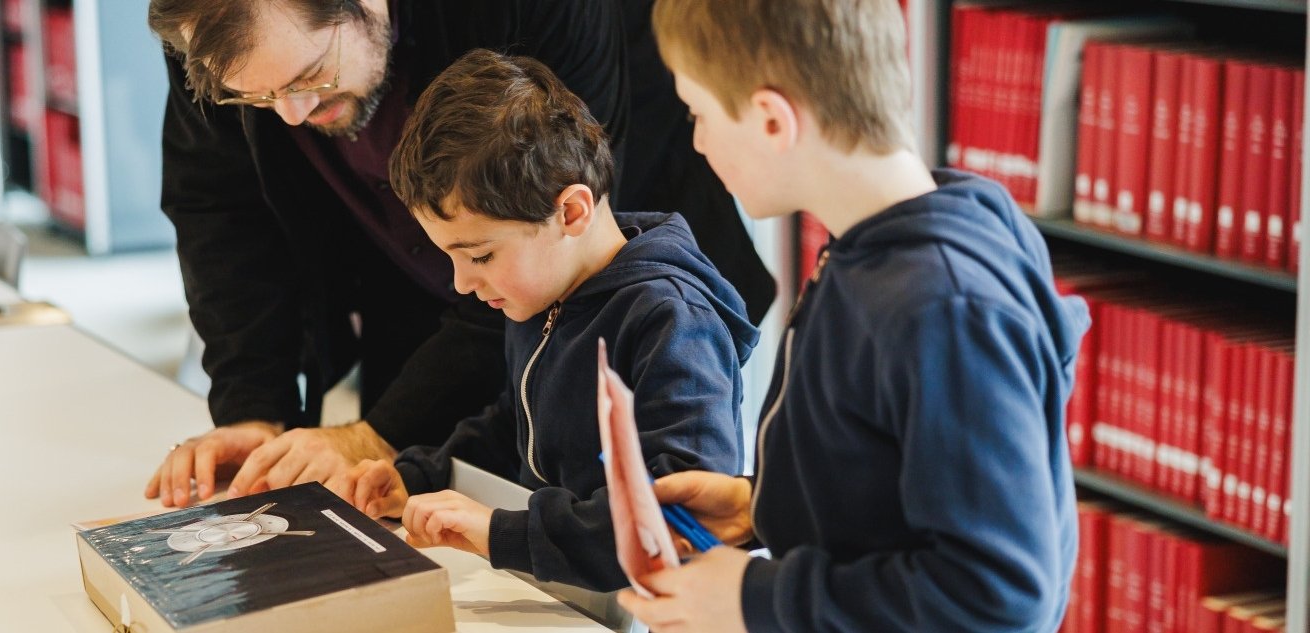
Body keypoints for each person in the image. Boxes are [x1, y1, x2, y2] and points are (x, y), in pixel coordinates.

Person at [142, 0, 775, 509]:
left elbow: (656, 529)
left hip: (590, 283)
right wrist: (255, 408)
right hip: (428, 299)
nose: (290, 114)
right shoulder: (214, 27)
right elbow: (220, 208)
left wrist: (395, 446)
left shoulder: (663, 322)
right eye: (255, 98)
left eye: (311, 76)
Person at [613, 0, 1091, 631]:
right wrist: (762, 505)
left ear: (772, 120)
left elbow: (997, 597)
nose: (697, 142)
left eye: (697, 115)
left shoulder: (944, 306)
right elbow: (887, 474)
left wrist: (757, 599)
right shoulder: (875, 248)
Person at [324, 49, 756, 591]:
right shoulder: (545, 293)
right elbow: (519, 425)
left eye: (480, 255)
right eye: (449, 257)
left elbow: (676, 519)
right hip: (560, 597)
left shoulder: (671, 321)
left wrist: (501, 533)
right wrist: (420, 475)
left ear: (571, 212)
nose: (461, 284)